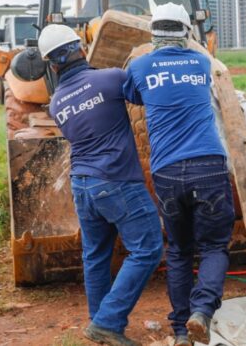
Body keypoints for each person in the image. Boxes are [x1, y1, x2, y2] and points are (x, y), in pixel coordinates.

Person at [40, 24, 163, 346]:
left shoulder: (56, 104)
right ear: (81, 48)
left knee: (95, 255)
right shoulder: (110, 78)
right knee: (147, 249)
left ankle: (99, 323)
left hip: (82, 184)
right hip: (117, 181)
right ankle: (108, 322)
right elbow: (145, 94)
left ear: (51, 65)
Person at [123, 3, 234, 346]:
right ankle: (202, 312)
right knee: (214, 245)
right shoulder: (202, 62)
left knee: (179, 250)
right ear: (186, 32)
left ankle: (182, 329)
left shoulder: (139, 66)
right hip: (208, 166)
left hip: (167, 172)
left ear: (153, 33)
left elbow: (133, 96)